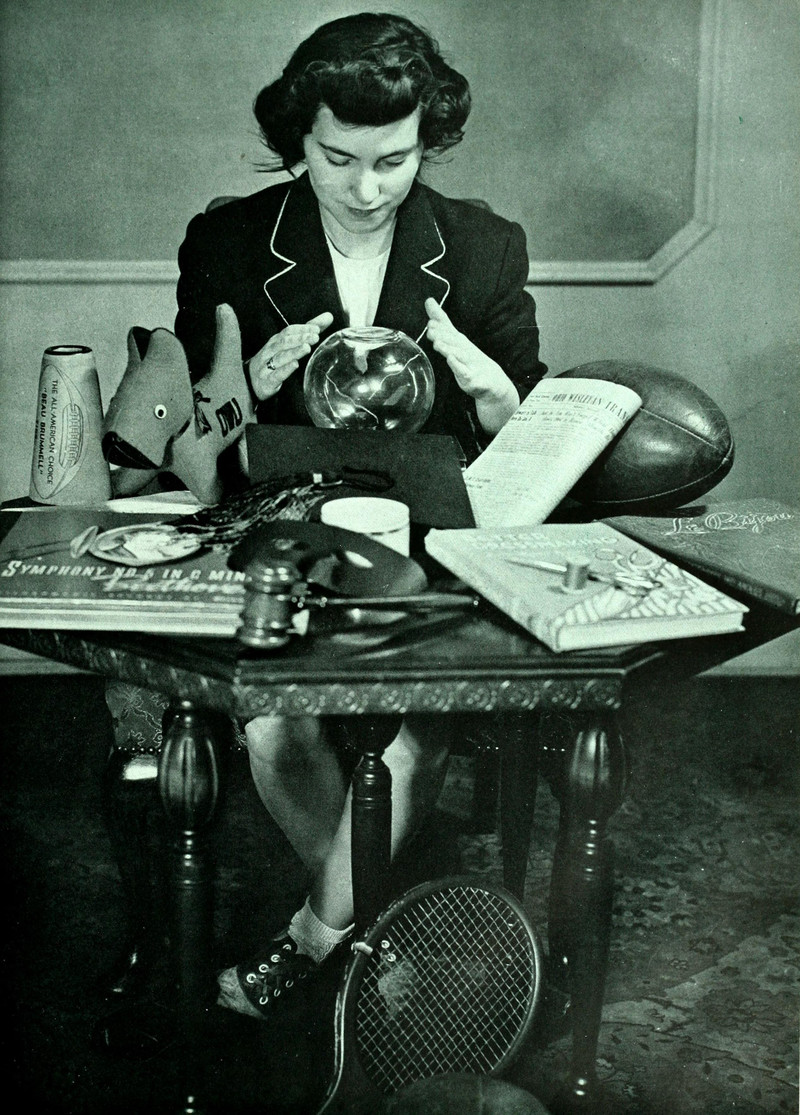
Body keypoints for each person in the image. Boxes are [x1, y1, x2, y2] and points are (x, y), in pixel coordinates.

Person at [174, 11, 547, 1020]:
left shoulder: (483, 247)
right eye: (338, 160)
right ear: (297, 140)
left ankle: (314, 941)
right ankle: (385, 945)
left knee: (422, 719)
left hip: (428, 542)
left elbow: (528, 446)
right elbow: (191, 442)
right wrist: (247, 383)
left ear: (427, 141)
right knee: (273, 725)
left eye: (395, 160)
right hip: (283, 530)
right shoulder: (228, 243)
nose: (368, 189)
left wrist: (495, 397)